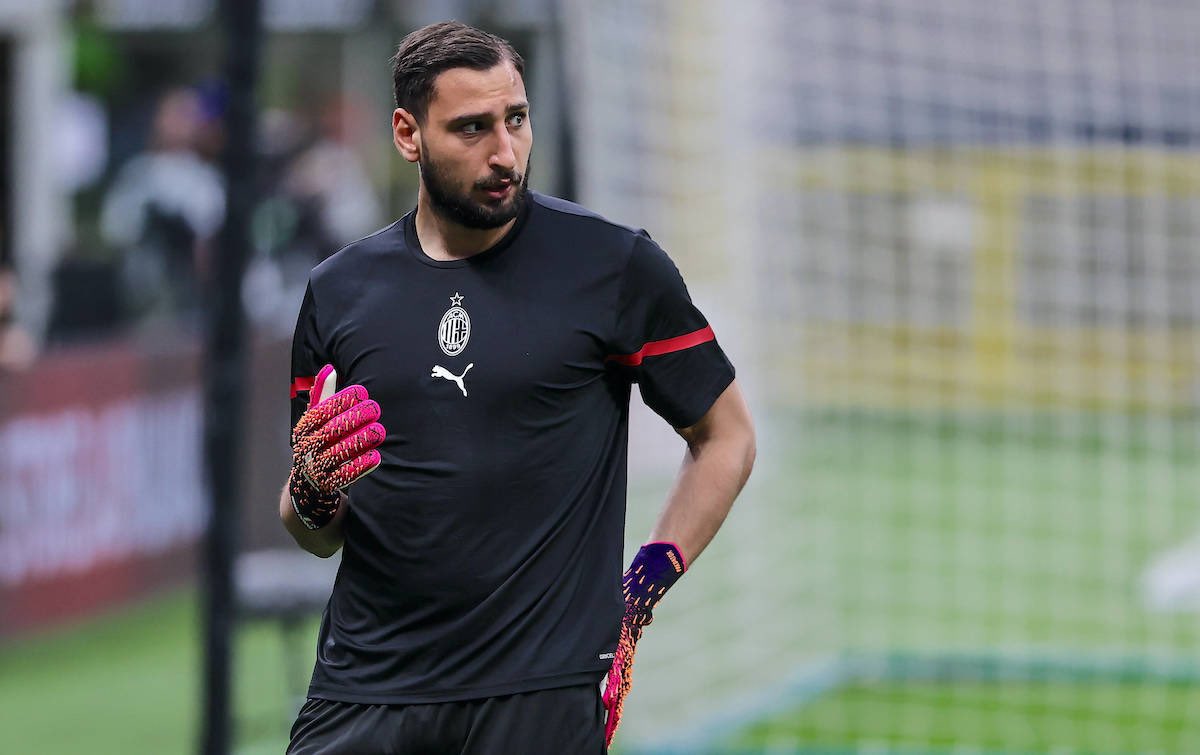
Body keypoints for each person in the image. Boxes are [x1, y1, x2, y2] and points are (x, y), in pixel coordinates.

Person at [282, 20, 756, 754]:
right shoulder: (339, 292)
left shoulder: (613, 265)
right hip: (365, 688)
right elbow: (314, 533)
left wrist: (641, 590)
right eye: (472, 128)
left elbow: (726, 436)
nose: (504, 153)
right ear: (408, 134)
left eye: (517, 119)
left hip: (540, 693)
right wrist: (311, 493)